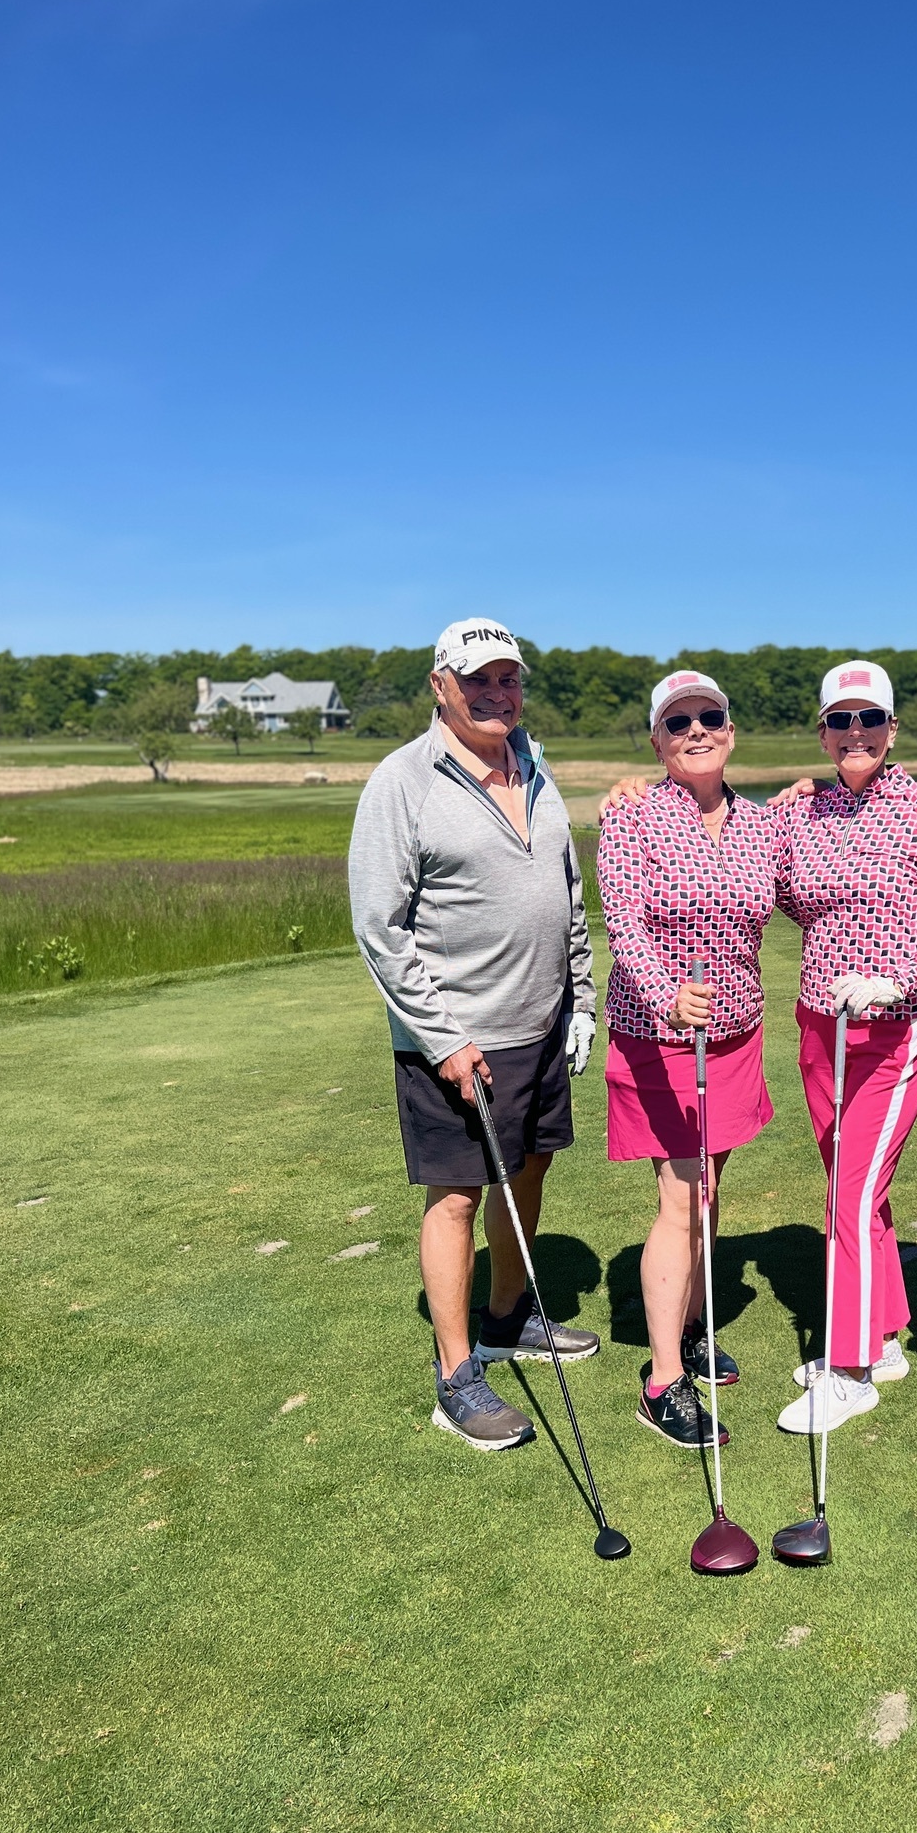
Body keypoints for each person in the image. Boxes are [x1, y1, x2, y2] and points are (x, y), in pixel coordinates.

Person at [348, 617, 600, 1453]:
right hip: (457, 1037)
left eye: (508, 678)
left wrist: (581, 998)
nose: (497, 693)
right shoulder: (403, 781)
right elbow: (379, 928)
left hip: (539, 1023)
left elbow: (565, 893)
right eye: (478, 679)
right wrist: (443, 1038)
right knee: (456, 1194)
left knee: (528, 1170)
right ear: (440, 684)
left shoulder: (534, 764)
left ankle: (506, 1316)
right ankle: (456, 1377)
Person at [770, 660, 917, 1436]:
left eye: (869, 719)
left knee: (848, 1193)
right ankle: (883, 1340)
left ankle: (849, 1372)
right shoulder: (799, 814)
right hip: (820, 1023)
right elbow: (774, 885)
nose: (856, 733)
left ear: (892, 728)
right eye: (840, 721)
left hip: (894, 1029)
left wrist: (892, 978)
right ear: (822, 733)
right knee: (857, 1191)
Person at [597, 671, 776, 1450]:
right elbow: (624, 924)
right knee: (681, 1199)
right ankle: (663, 1379)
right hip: (660, 1039)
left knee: (708, 1191)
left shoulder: (763, 823)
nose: (696, 730)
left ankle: (694, 1325)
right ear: (657, 741)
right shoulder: (631, 816)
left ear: (730, 731)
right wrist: (666, 995)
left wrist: (814, 793)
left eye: (709, 717)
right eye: (678, 723)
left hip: (735, 1037)